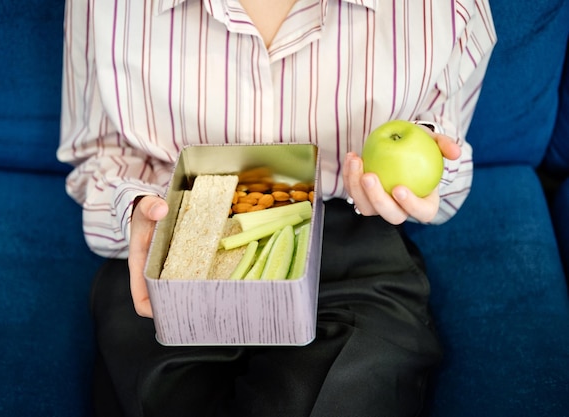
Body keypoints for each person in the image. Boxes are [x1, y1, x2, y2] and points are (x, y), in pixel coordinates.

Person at [58, 0, 496, 416]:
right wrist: (134, 207)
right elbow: (99, 154)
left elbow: (445, 169)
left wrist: (422, 175)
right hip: (177, 243)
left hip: (350, 246)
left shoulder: (446, 11)